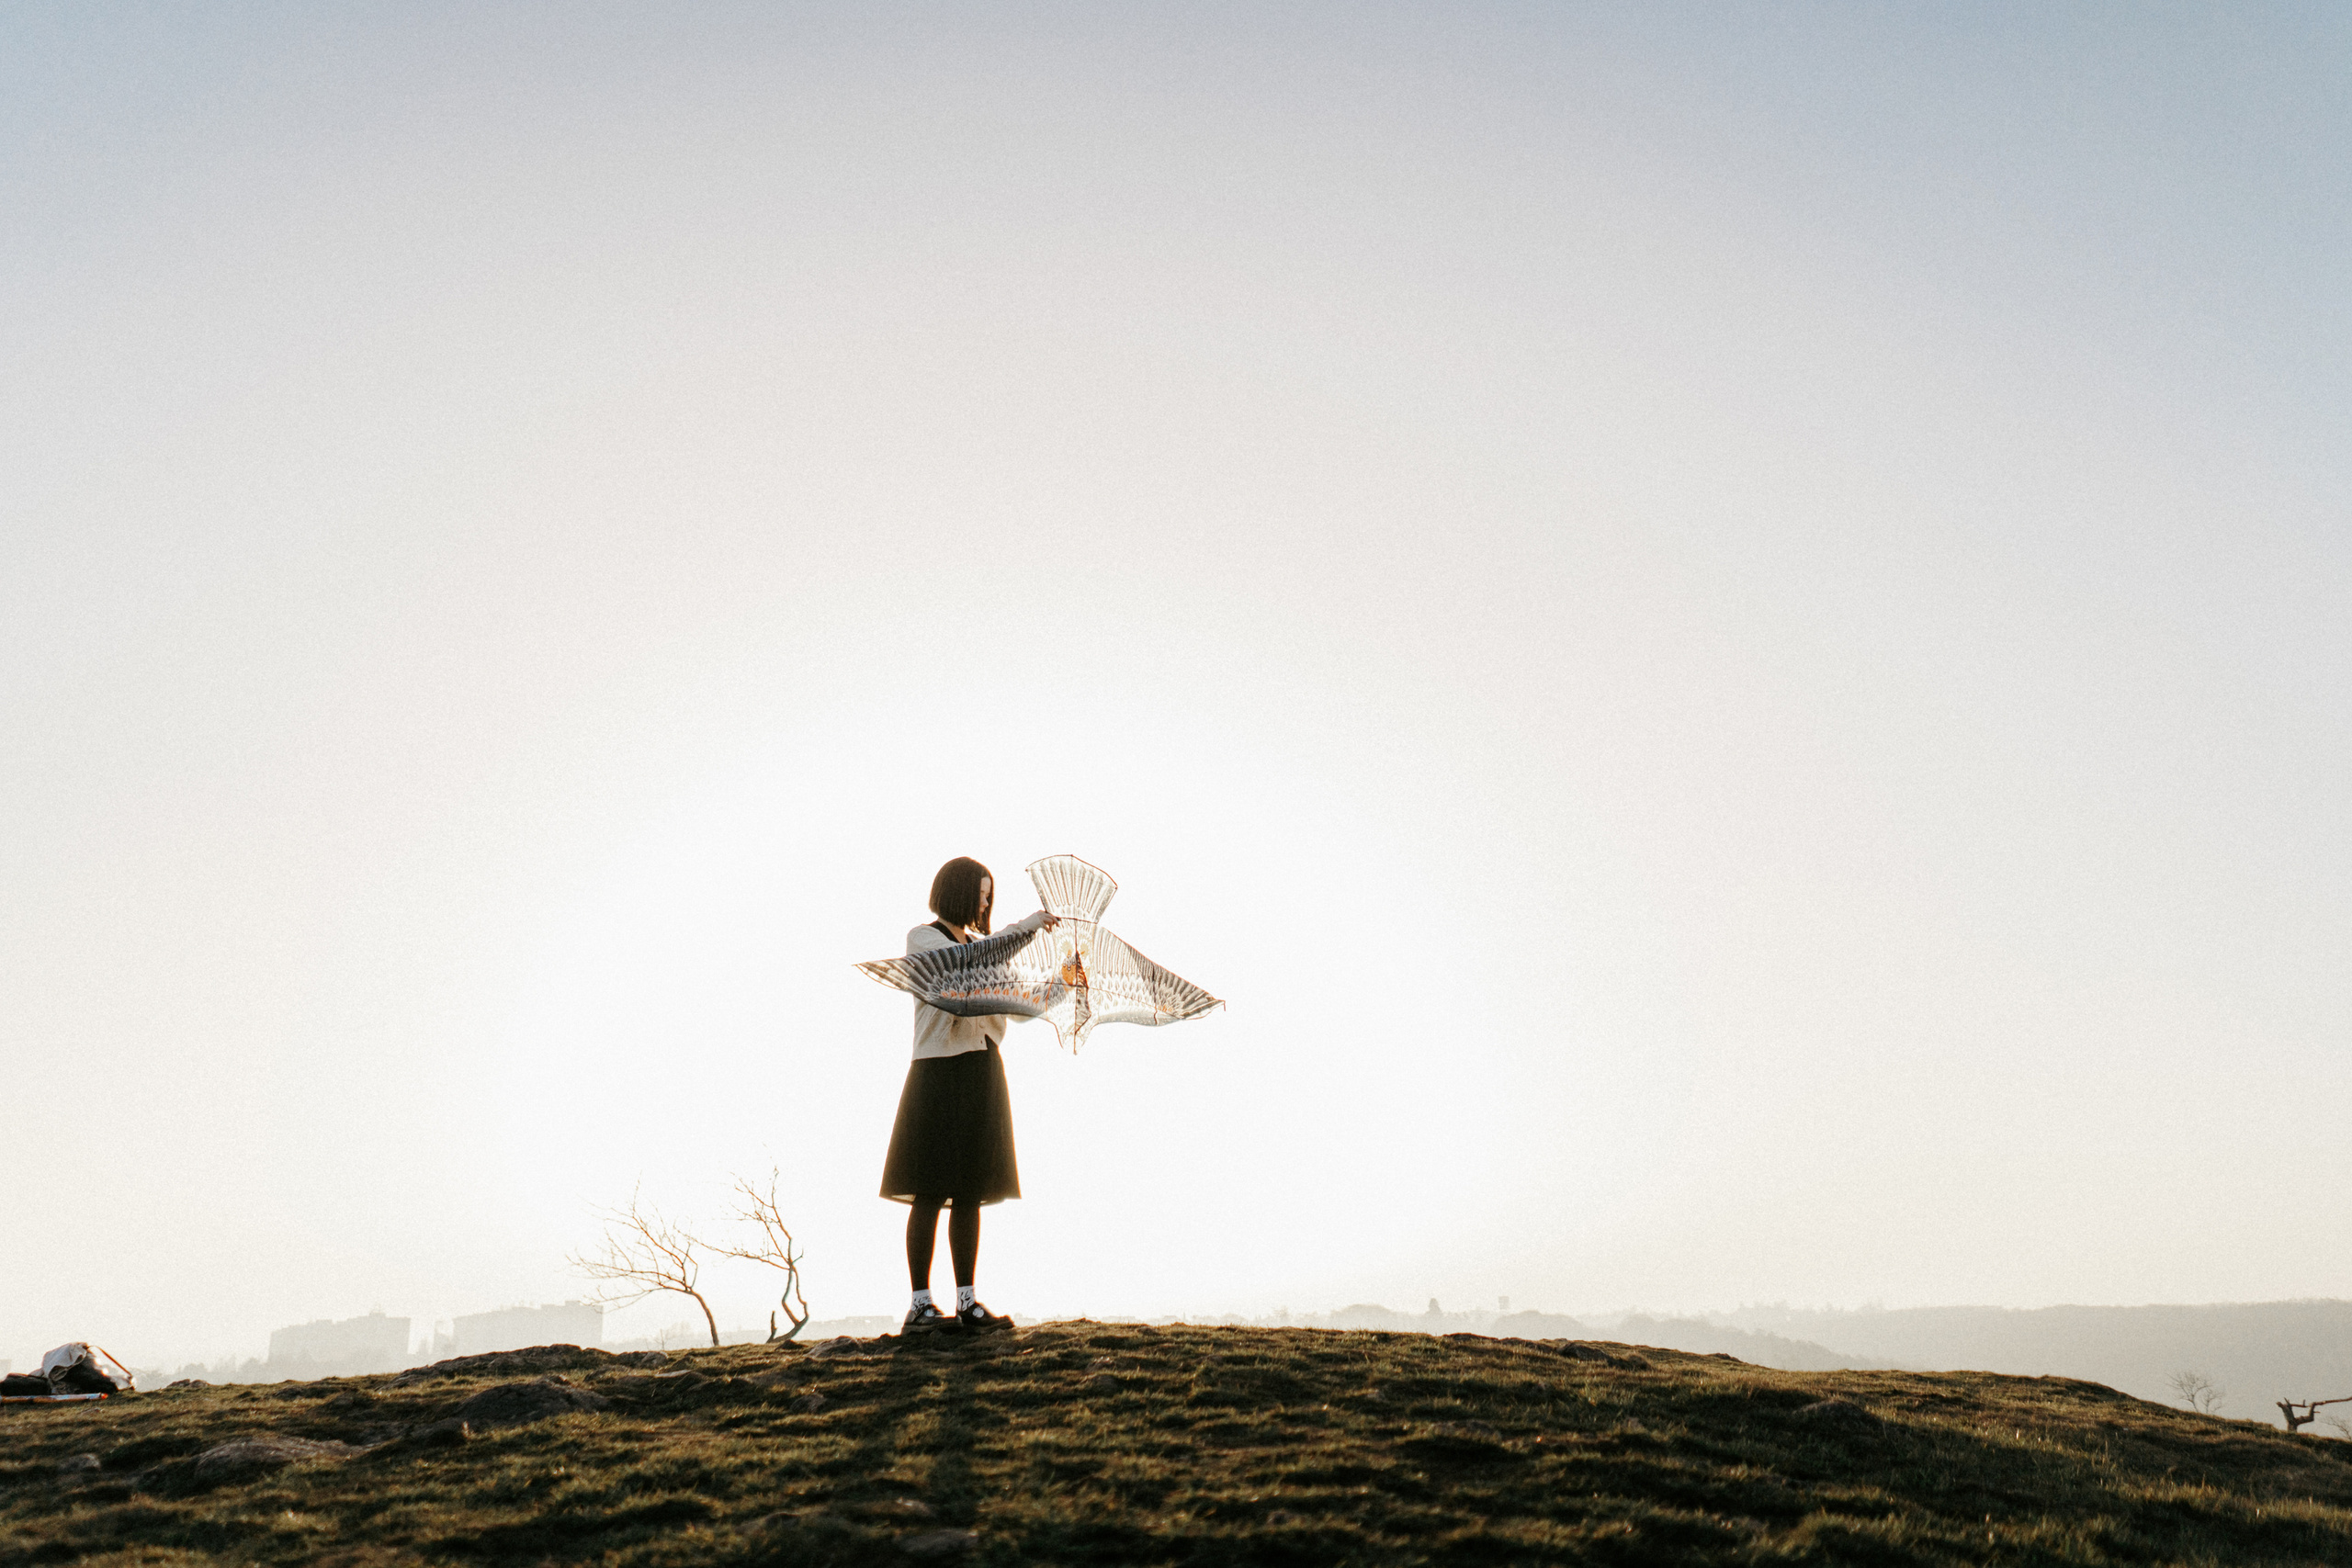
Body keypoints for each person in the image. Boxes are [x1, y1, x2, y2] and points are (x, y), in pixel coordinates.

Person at [879, 856, 1057, 1334]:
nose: (985, 902)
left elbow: (1020, 1008)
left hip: (982, 1070)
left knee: (970, 1193)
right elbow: (961, 966)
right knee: (930, 1189)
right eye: (981, 893)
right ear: (958, 893)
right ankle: (920, 1305)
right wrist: (1026, 929)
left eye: (989, 895)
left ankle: (967, 1303)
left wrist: (1061, 984)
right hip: (937, 1073)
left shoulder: (986, 949)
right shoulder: (925, 939)